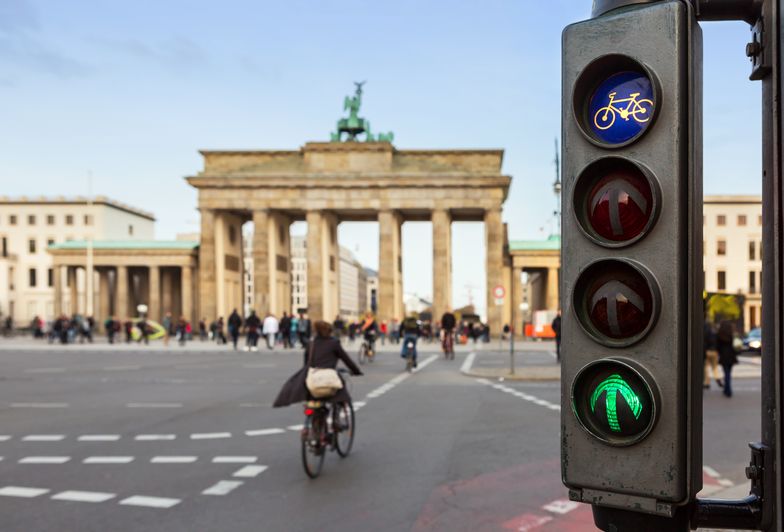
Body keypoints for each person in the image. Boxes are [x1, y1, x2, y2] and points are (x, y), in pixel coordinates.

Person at [273, 320, 363, 409]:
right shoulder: (334, 343)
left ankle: (314, 417)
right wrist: (356, 371)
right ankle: (340, 409)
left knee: (311, 395)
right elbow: (346, 360)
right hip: (329, 375)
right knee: (340, 390)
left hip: (314, 377)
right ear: (329, 331)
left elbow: (306, 363)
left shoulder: (311, 344)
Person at [717, 321, 738, 397]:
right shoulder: (732, 334)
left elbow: (717, 346)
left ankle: (727, 389)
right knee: (728, 373)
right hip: (731, 356)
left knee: (726, 373)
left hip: (723, 356)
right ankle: (728, 389)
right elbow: (736, 345)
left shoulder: (720, 335)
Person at [704, 321, 722, 389]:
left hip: (708, 351)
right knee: (714, 367)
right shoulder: (715, 334)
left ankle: (707, 382)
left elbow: (705, 343)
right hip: (714, 351)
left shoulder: (706, 333)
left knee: (706, 368)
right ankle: (717, 378)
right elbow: (718, 344)